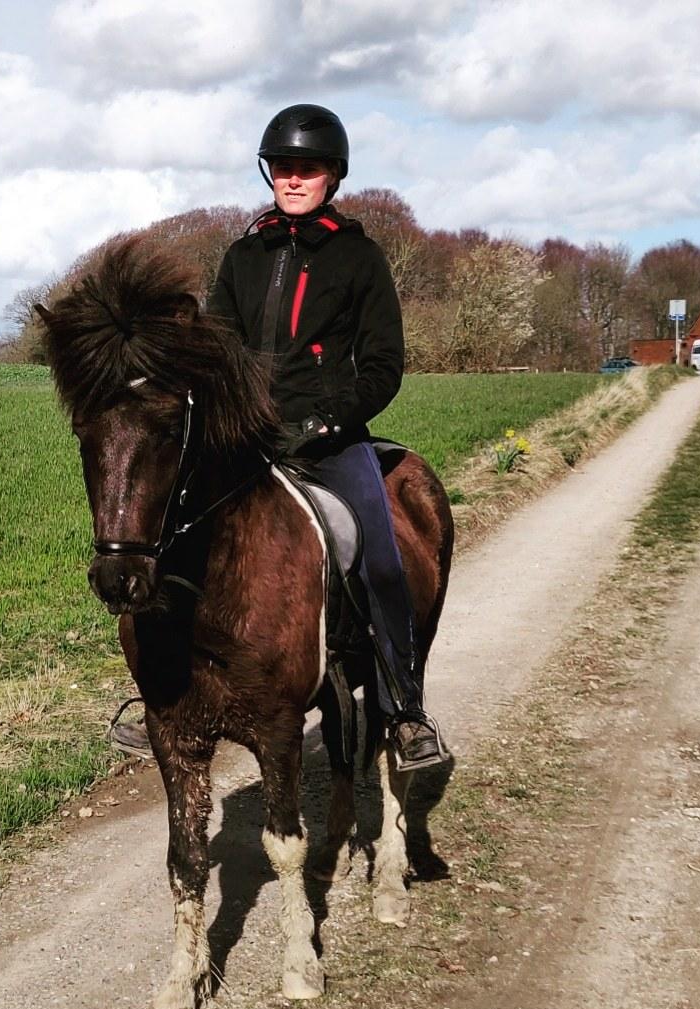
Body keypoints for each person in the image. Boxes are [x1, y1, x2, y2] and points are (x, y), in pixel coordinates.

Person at [205, 103, 449, 772]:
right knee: (171, 536)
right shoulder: (242, 255)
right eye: (283, 167)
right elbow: (216, 348)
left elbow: (381, 366)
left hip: (330, 441)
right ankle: (161, 694)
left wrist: (324, 423)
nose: (292, 178)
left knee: (379, 555)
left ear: (332, 176)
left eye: (306, 169)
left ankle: (404, 711)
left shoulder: (357, 256)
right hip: (247, 441)